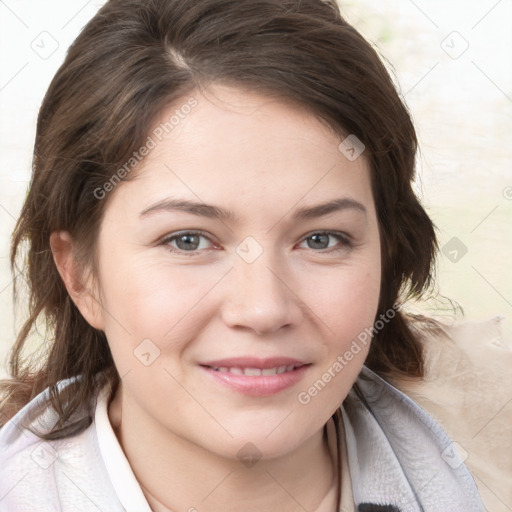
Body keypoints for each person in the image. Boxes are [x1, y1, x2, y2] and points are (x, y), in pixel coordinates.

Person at [0, 0, 486, 510]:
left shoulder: (491, 459)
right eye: (188, 240)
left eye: (321, 239)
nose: (263, 309)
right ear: (80, 275)